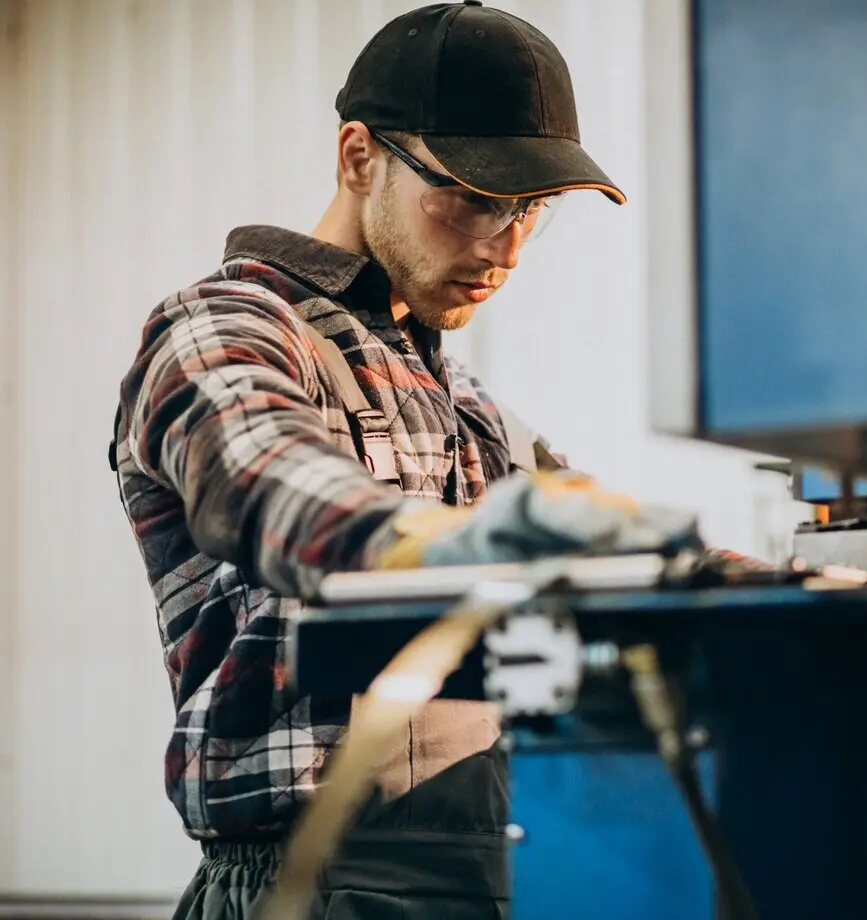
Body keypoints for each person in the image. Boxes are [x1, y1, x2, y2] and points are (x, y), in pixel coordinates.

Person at [109, 4, 700, 918]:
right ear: (359, 157)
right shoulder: (225, 328)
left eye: (530, 212)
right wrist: (438, 546)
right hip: (313, 882)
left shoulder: (469, 405)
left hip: (495, 872)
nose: (505, 249)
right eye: (472, 197)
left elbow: (607, 559)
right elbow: (262, 477)